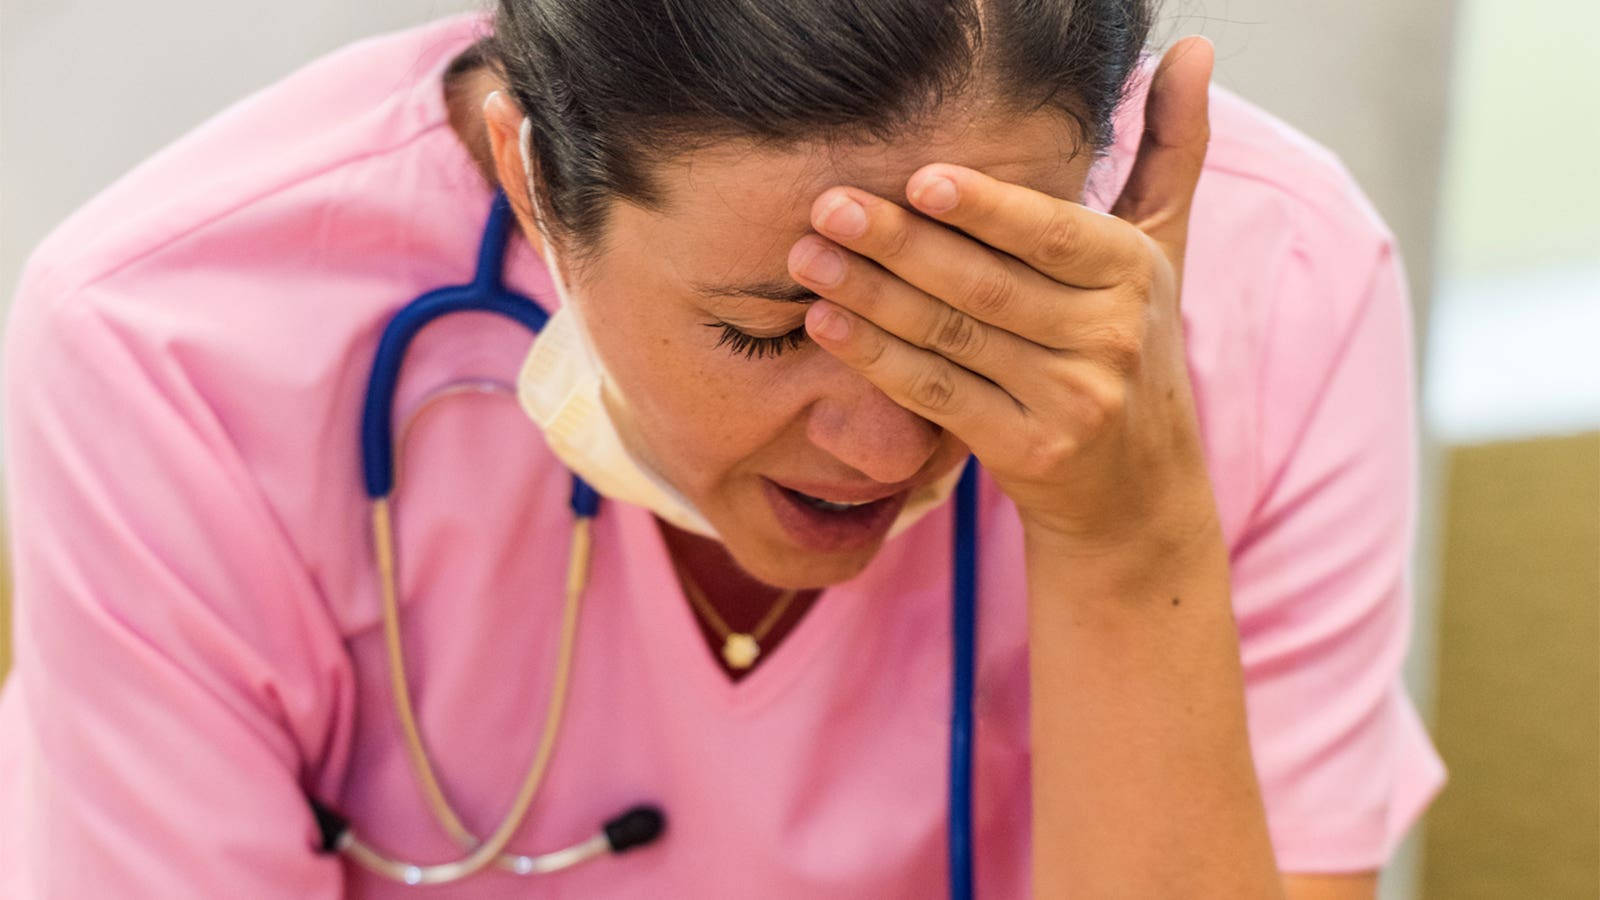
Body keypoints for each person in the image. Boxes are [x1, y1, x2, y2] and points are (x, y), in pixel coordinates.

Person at [0, 3, 1444, 897]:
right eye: (765, 332)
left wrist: (1126, 533)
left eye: (974, 330)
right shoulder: (168, 345)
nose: (883, 442)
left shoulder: (1277, 286)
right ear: (530, 174)